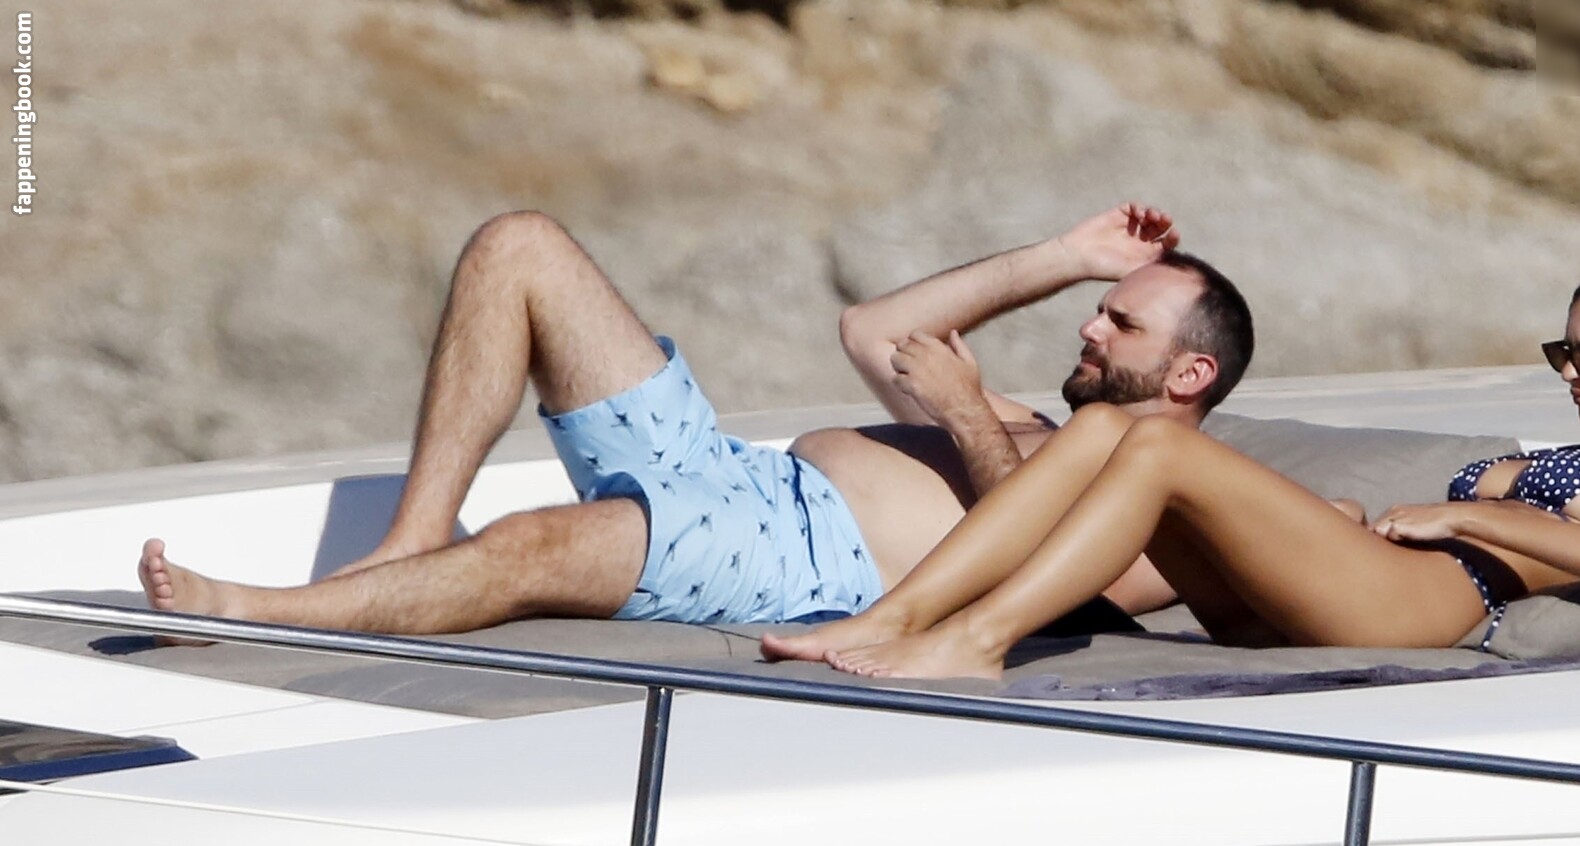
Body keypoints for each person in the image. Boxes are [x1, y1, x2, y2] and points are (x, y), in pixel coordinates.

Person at [136, 204, 1257, 638]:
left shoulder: (1168, 501)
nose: (1090, 327)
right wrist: (1064, 256)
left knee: (530, 546)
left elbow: (1067, 581)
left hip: (793, 559)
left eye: (1120, 322)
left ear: (1191, 371)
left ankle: (269, 614)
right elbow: (875, 329)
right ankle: (412, 536)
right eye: (1099, 308)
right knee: (519, 247)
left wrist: (968, 416)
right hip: (733, 472)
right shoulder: (1036, 422)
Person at [770, 252, 1580, 680]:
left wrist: (1461, 516)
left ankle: (980, 641)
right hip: (1356, 588)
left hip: (1417, 608)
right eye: (1564, 352)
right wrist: (1338, 520)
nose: (1572, 372)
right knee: (1105, 429)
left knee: (1158, 441)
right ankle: (900, 615)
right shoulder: (1575, 456)